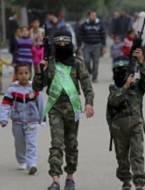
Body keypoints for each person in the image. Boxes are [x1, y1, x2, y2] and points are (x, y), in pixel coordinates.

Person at [32, 29, 94, 190]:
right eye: (58, 42)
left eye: (65, 42)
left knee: (71, 144)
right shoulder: (49, 62)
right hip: (55, 109)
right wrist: (40, 70)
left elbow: (87, 86)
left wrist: (89, 103)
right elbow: (37, 87)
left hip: (73, 109)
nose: (62, 45)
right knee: (56, 144)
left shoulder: (77, 63)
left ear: (70, 43)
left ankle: (70, 177)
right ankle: (55, 180)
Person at [106, 52, 145, 190]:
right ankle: (126, 180)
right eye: (118, 70)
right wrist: (125, 86)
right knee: (122, 158)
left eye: (124, 70)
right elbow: (114, 101)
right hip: (118, 129)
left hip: (136, 126)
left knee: (137, 154)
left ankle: (139, 183)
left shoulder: (138, 87)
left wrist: (141, 61)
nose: (121, 73)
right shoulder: (114, 89)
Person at [0, 63, 44, 175]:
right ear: (16, 75)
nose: (23, 75)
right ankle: (22, 160)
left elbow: (41, 104)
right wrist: (3, 118)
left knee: (32, 143)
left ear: (30, 74)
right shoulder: (12, 90)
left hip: (31, 121)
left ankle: (32, 163)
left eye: (26, 73)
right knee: (19, 143)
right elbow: (5, 104)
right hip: (17, 122)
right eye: (20, 73)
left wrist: (42, 118)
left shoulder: (34, 89)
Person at [79, 10, 106, 82]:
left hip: (97, 45)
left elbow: (103, 35)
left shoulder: (100, 24)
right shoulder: (84, 24)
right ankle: (90, 71)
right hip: (87, 45)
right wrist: (80, 45)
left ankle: (94, 77)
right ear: (89, 16)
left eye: (95, 15)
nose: (94, 17)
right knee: (86, 61)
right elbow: (80, 35)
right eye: (92, 15)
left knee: (95, 62)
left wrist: (103, 46)